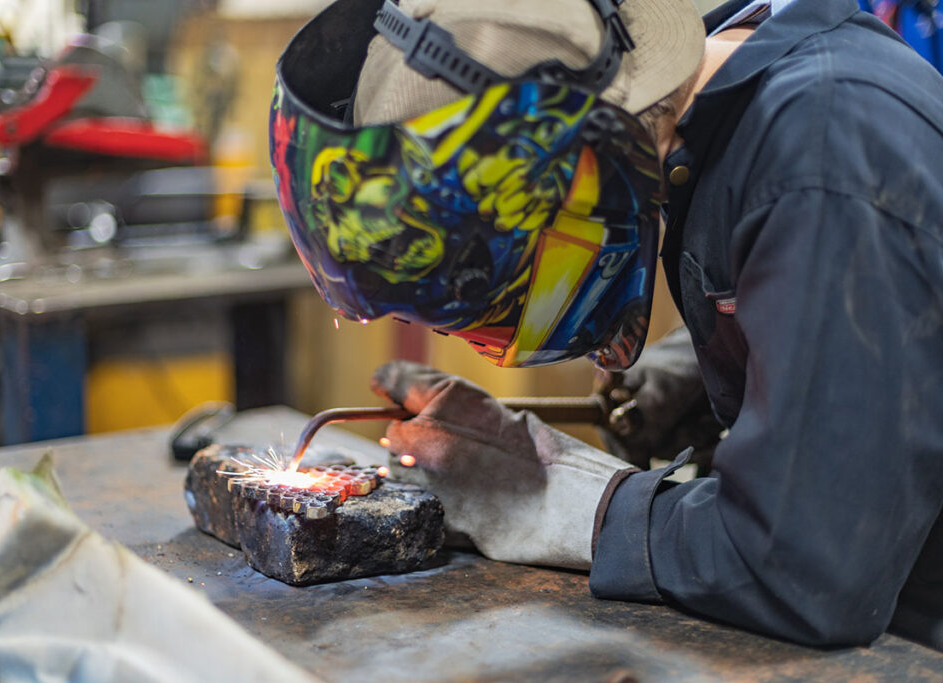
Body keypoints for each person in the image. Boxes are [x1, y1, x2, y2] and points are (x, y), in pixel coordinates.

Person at [268, 0, 943, 648]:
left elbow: (811, 569)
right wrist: (716, 358)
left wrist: (568, 505)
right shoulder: (727, 123)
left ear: (585, 157)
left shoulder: (821, 152)